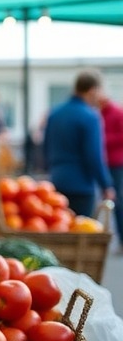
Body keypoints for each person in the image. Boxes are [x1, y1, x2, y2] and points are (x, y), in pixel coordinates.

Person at [43, 72, 115, 218]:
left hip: (57, 181)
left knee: (60, 230)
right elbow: (94, 156)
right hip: (81, 186)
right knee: (82, 233)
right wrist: (106, 185)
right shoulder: (90, 116)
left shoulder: (54, 113)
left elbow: (45, 147)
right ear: (92, 90)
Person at [100, 94, 123, 250]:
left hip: (116, 162)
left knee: (117, 199)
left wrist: (102, 139)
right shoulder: (96, 114)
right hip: (103, 162)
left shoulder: (117, 113)